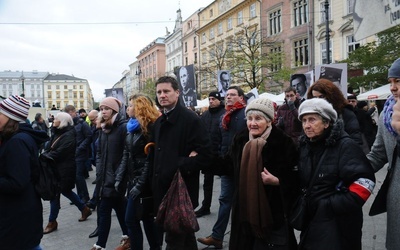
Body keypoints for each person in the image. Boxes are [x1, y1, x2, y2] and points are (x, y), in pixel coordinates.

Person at [296, 98, 375, 249]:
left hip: (339, 225)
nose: (307, 125)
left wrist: (329, 205)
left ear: (327, 123)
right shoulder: (305, 145)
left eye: (312, 120)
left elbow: (366, 183)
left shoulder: (345, 145)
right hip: (312, 220)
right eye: (304, 120)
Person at [229, 97, 299, 249]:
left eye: (258, 118)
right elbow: (228, 165)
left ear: (269, 121)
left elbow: (297, 177)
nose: (252, 123)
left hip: (273, 213)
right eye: (249, 118)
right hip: (244, 210)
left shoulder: (283, 142)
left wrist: (278, 181)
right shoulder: (240, 139)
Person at [151, 76, 211, 249]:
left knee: (174, 238)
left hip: (180, 190)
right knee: (184, 236)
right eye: (159, 92)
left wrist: (179, 164)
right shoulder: (159, 122)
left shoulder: (190, 119)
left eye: (166, 91)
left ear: (177, 93)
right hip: (162, 189)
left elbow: (207, 155)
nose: (162, 95)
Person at [197, 86, 247, 249]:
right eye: (227, 95)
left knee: (244, 202)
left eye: (233, 95)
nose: (229, 97)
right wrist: (217, 158)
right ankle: (217, 236)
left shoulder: (246, 114)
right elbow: (219, 140)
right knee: (225, 200)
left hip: (243, 165)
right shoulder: (224, 116)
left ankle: (244, 237)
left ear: (241, 97)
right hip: (227, 165)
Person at [0, 95, 49, 250]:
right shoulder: (15, 138)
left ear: (10, 117)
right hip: (19, 215)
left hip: (18, 217)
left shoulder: (17, 142)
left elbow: (17, 183)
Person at [115, 94, 161, 250]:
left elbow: (150, 159)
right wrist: (119, 177)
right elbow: (126, 154)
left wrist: (140, 185)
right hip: (133, 180)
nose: (128, 108)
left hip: (145, 183)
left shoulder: (150, 128)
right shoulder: (131, 127)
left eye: (131, 105)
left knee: (133, 219)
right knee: (145, 218)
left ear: (140, 107)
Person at [42, 112, 92, 234]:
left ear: (63, 121)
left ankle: (52, 221)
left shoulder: (69, 134)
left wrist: (44, 157)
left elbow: (59, 152)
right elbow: (50, 147)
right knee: (65, 191)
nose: (54, 120)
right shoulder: (58, 132)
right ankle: (84, 208)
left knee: (56, 193)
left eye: (56, 119)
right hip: (57, 168)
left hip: (64, 169)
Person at [368, 58, 400, 250]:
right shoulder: (385, 114)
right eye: (390, 82)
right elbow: (377, 155)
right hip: (396, 196)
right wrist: (348, 170)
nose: (393, 87)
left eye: (398, 81)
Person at [91, 97, 129, 250]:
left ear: (114, 110)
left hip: (116, 178)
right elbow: (99, 152)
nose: (103, 111)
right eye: (101, 109)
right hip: (104, 177)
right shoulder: (103, 128)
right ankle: (128, 236)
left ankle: (100, 245)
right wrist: (99, 169)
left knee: (104, 209)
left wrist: (118, 175)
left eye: (106, 108)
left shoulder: (122, 127)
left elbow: (126, 154)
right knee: (119, 208)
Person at [306, 78, 364, 146]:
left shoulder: (346, 114)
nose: (318, 100)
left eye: (321, 96)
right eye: (314, 97)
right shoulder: (310, 115)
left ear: (331, 96)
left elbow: (355, 141)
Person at [195, 91, 225, 218]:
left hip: (221, 155)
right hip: (208, 154)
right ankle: (205, 206)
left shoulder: (224, 114)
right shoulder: (205, 115)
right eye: (210, 98)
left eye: (213, 99)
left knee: (226, 183)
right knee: (207, 182)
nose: (211, 101)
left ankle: (227, 208)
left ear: (219, 100)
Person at [64, 105, 92, 203]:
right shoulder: (70, 124)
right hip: (73, 153)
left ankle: (85, 197)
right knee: (76, 177)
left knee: (79, 176)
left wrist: (80, 148)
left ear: (73, 112)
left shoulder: (82, 123)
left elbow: (89, 137)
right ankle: (80, 197)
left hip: (80, 153)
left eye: (69, 113)